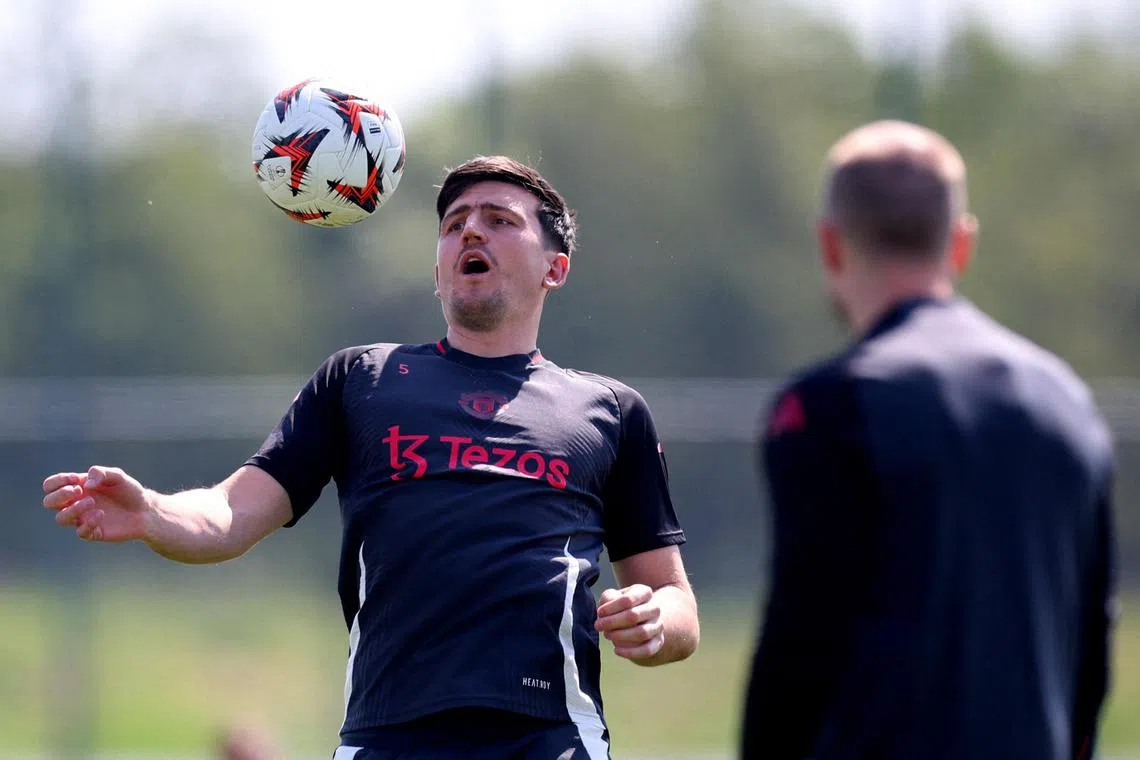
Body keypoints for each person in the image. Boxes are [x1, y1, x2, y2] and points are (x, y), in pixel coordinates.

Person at [42, 156, 699, 759]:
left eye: (500, 221)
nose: (471, 233)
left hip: (550, 735)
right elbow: (228, 512)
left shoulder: (609, 412)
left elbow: (678, 605)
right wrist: (153, 511)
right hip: (386, 735)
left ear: (554, 268)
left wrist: (652, 618)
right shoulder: (362, 381)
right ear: (438, 268)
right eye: (454, 225)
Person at [740, 121, 1116, 760]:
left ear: (831, 245)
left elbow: (800, 646)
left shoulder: (829, 406)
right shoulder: (1068, 400)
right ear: (962, 243)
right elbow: (1090, 641)